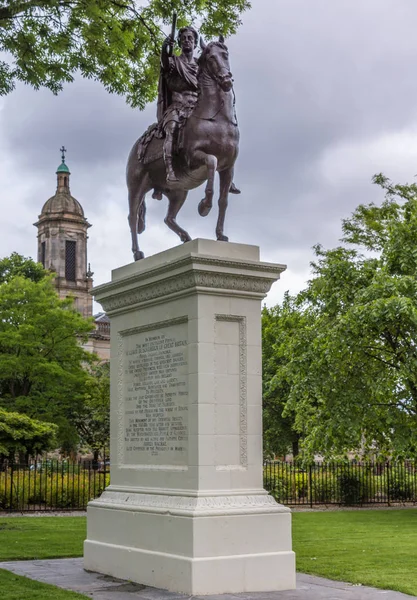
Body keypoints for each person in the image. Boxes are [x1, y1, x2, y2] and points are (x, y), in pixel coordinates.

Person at [157, 26, 199, 182]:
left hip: (196, 107)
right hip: (178, 106)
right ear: (180, 43)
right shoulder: (174, 62)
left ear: (195, 44)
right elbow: (165, 64)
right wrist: (164, 48)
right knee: (172, 128)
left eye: (190, 38)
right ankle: (169, 169)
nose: (187, 41)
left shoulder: (200, 66)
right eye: (184, 38)